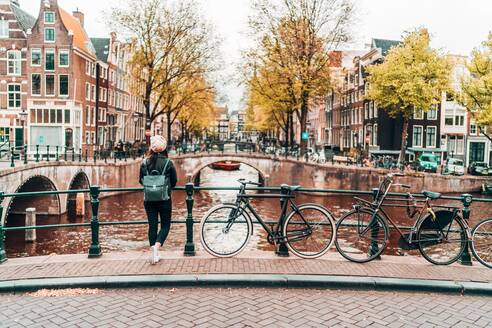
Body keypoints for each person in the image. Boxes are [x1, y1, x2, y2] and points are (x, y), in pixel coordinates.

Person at [139, 135, 177, 264]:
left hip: (149, 199)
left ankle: (154, 253)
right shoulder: (168, 163)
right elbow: (175, 181)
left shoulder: (144, 162)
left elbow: (141, 180)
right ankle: (157, 247)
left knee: (152, 225)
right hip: (164, 198)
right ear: (164, 148)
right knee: (165, 225)